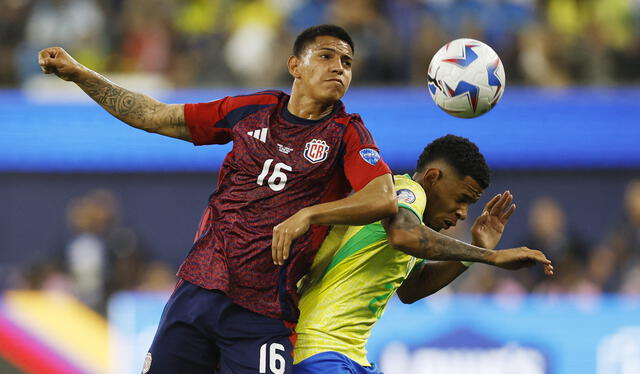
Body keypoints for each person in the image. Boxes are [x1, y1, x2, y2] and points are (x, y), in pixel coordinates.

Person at [38, 24, 398, 374]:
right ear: (295, 66)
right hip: (198, 290)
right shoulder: (255, 109)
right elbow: (154, 115)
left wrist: (309, 215)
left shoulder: (347, 132)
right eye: (325, 56)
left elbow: (383, 197)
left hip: (264, 311)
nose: (338, 67)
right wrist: (79, 74)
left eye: (347, 62)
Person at [293, 135, 554, 373]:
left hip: (347, 355)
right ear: (431, 178)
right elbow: (403, 235)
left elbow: (411, 290)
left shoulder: (416, 224)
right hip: (319, 349)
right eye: (461, 199)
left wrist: (474, 252)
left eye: (469, 204)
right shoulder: (408, 193)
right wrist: (491, 257)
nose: (463, 212)